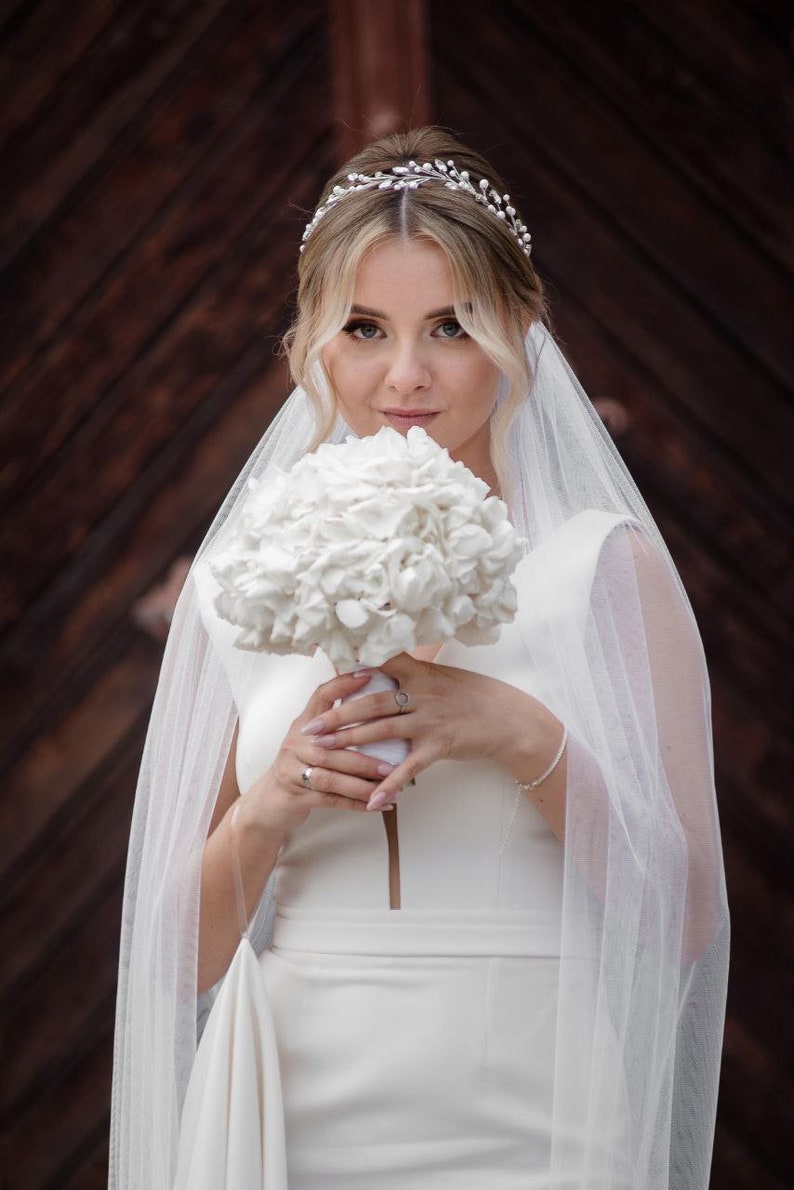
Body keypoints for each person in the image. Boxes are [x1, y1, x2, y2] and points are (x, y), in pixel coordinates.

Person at [110, 128, 729, 1189]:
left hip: (540, 1114)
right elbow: (167, 961)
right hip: (300, 1116)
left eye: (450, 326)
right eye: (364, 327)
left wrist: (518, 732)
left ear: (519, 332)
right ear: (312, 343)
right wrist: (271, 802)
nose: (405, 374)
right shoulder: (240, 586)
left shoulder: (600, 574)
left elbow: (678, 926)